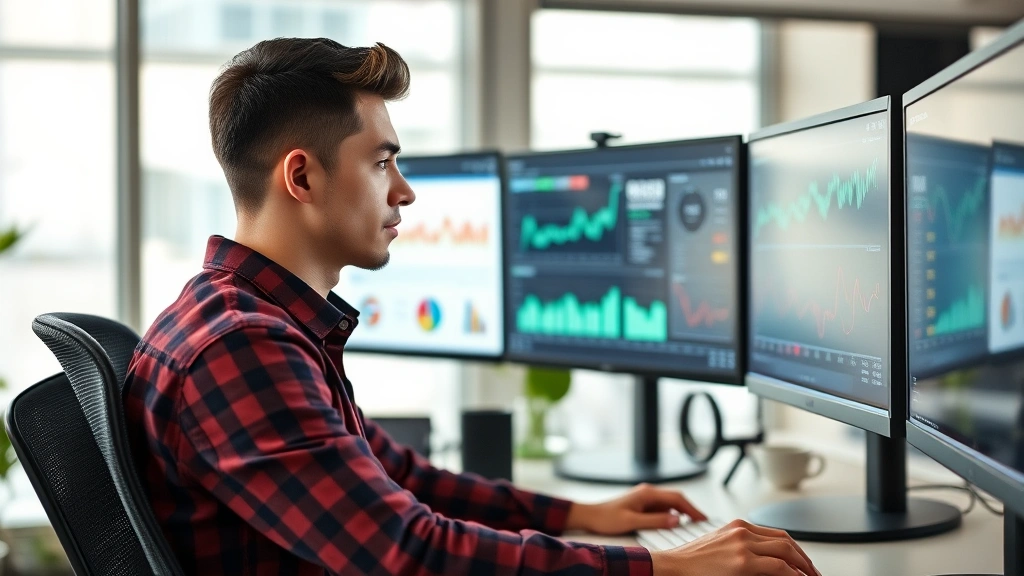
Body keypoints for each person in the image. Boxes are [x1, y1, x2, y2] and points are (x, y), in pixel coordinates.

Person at [124, 37, 820, 576]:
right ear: (302, 175)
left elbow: (395, 476)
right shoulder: (240, 347)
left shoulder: (253, 320)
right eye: (381, 162)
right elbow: (410, 555)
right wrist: (664, 565)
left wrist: (581, 513)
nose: (405, 192)